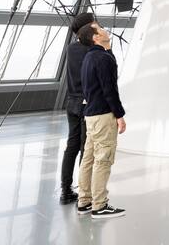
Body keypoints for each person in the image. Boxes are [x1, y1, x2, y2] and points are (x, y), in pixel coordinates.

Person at [76, 22, 126, 219]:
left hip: (91, 115)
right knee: (103, 159)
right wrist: (119, 115)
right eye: (99, 28)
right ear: (96, 37)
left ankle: (84, 201)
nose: (104, 29)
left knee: (88, 159)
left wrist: (109, 48)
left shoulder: (90, 57)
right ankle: (99, 205)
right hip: (103, 115)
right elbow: (110, 89)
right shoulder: (103, 58)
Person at [59, 12, 96, 205]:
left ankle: (66, 190)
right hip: (87, 104)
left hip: (71, 102)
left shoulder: (71, 48)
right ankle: (84, 192)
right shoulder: (92, 50)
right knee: (85, 149)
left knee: (71, 146)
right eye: (94, 23)